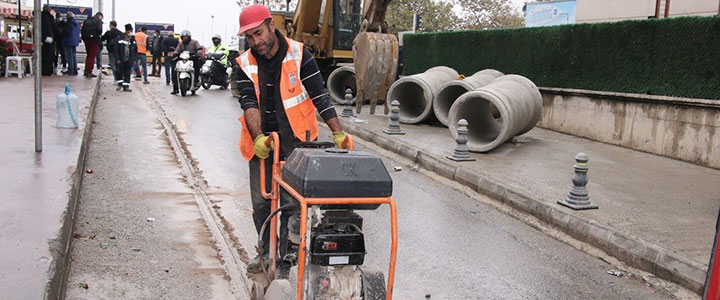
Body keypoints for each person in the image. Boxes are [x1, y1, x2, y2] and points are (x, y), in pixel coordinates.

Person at [235, 4, 346, 272]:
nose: (255, 42)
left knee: (291, 205)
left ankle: (287, 257)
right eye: (249, 37)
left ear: (271, 25)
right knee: (261, 205)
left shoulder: (299, 54)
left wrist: (337, 131)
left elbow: (319, 94)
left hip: (298, 143)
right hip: (263, 144)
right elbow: (249, 102)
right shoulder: (244, 62)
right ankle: (264, 253)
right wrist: (259, 137)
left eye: (259, 34)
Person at [170, 30, 202, 94]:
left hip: (192, 58)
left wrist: (197, 53)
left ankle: (196, 80)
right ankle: (175, 87)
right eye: (184, 37)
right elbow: (177, 50)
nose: (185, 38)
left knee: (197, 66)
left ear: (189, 37)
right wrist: (174, 54)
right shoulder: (181, 43)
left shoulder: (195, 42)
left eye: (186, 37)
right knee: (174, 69)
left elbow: (199, 49)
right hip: (182, 59)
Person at [109, 24, 137, 92]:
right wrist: (117, 59)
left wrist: (134, 59)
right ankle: (120, 84)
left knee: (127, 73)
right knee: (119, 72)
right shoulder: (119, 38)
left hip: (129, 59)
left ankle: (126, 86)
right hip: (121, 59)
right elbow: (116, 49)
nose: (130, 32)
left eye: (131, 31)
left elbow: (135, 50)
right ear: (126, 31)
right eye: (129, 31)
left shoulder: (133, 39)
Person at [81, 12, 103, 77]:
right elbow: (100, 30)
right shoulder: (98, 21)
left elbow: (82, 29)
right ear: (100, 16)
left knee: (88, 55)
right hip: (94, 39)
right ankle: (89, 71)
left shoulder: (87, 19)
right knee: (92, 56)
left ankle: (86, 70)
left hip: (86, 39)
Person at [40, 5, 58, 76]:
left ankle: (42, 70)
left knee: (42, 55)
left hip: (42, 38)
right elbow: (54, 28)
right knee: (49, 55)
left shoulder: (40, 16)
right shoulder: (50, 17)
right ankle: (48, 70)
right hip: (49, 38)